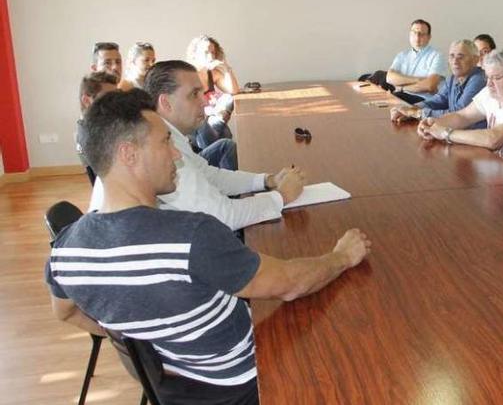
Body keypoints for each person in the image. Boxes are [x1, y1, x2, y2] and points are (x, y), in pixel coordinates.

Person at [47, 90, 370, 404]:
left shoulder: (65, 249)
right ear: (129, 153)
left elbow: (65, 312)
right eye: (165, 142)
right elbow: (290, 284)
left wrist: (153, 342)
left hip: (172, 387)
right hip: (242, 383)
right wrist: (341, 256)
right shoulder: (190, 235)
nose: (176, 154)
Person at [89, 61, 304, 231]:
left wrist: (267, 180)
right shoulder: (154, 149)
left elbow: (209, 175)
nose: (204, 101)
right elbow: (223, 217)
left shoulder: (167, 136)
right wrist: (281, 197)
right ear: (166, 102)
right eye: (194, 94)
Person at [417, 47, 503, 178]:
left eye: (495, 78)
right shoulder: (492, 91)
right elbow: (463, 116)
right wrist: (433, 124)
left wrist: (446, 133)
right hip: (499, 168)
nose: (489, 83)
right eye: (487, 77)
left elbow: (493, 139)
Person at [390, 39, 486, 128]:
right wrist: (411, 108)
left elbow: (459, 112)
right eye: (452, 56)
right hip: (452, 131)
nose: (455, 62)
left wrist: (418, 113)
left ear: (475, 60)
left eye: (461, 57)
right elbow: (437, 101)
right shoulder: (453, 78)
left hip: (471, 137)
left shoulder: (479, 79)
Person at [186, 35, 240, 150]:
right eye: (206, 52)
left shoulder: (212, 74)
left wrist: (226, 68)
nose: (210, 56)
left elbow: (233, 91)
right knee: (224, 133)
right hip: (196, 125)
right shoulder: (188, 74)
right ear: (194, 55)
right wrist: (212, 113)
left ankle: (218, 124)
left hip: (212, 119)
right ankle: (218, 124)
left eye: (213, 52)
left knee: (228, 98)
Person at [386, 19, 447, 104]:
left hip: (424, 100)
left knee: (392, 100)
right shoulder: (402, 55)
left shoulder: (437, 56)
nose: (417, 37)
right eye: (414, 33)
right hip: (401, 95)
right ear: (410, 35)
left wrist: (402, 88)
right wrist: (418, 80)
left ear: (429, 37)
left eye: (422, 34)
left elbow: (430, 86)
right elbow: (389, 78)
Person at [76, 72, 118, 182]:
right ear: (86, 100)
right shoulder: (95, 136)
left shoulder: (86, 127)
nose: (115, 103)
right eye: (108, 98)